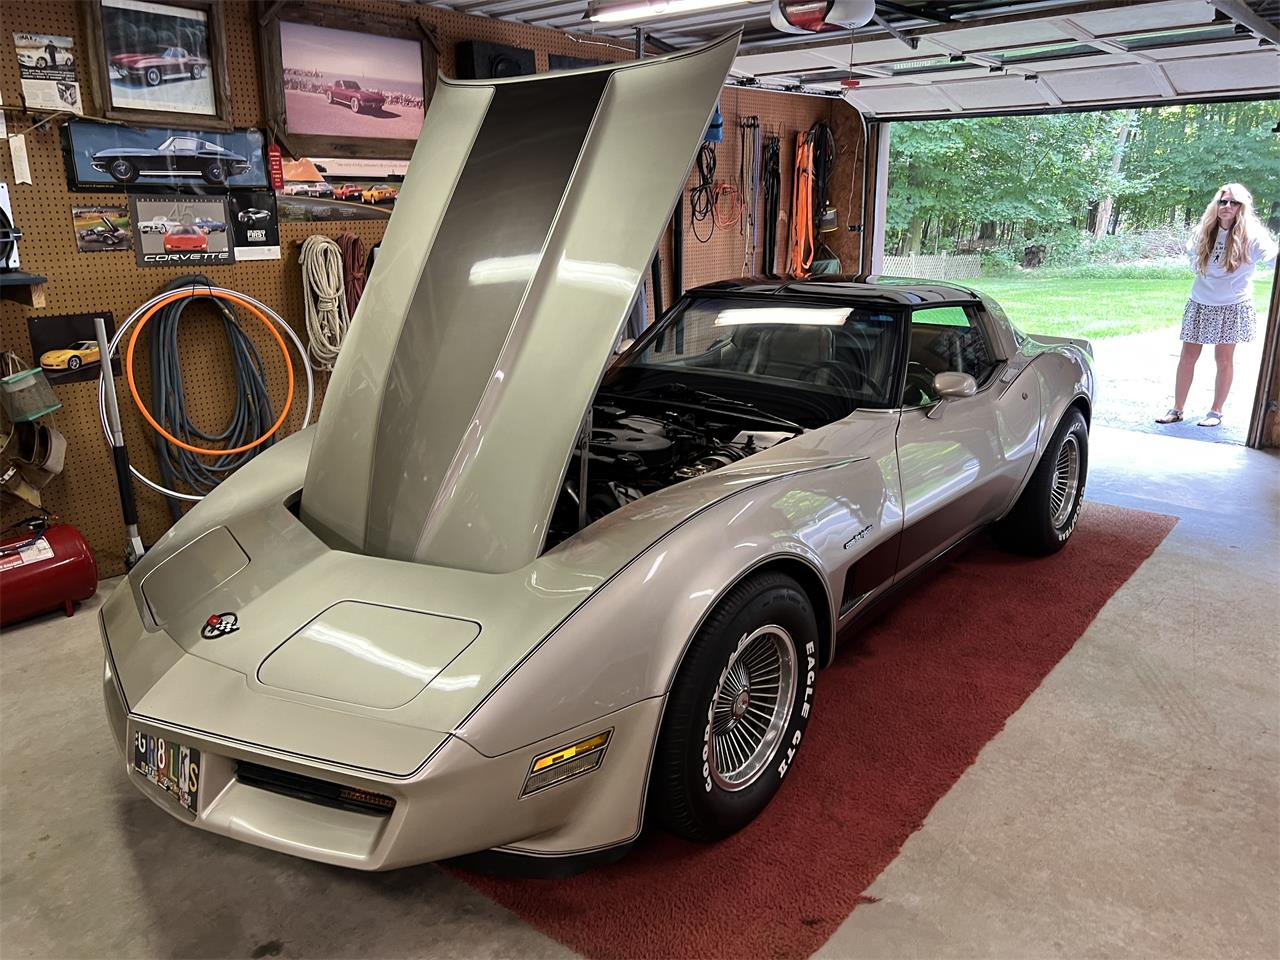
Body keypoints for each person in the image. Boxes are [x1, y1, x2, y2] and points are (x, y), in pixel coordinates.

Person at [1156, 183, 1278, 428]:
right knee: (1188, 356)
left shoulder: (1252, 235)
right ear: (1217, 204)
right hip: (1200, 302)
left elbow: (1271, 258)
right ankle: (1177, 408)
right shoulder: (1204, 230)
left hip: (1232, 305)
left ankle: (1215, 411)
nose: (1227, 206)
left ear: (1241, 207)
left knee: (1223, 359)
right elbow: (1193, 258)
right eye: (1223, 201)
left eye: (1234, 203)